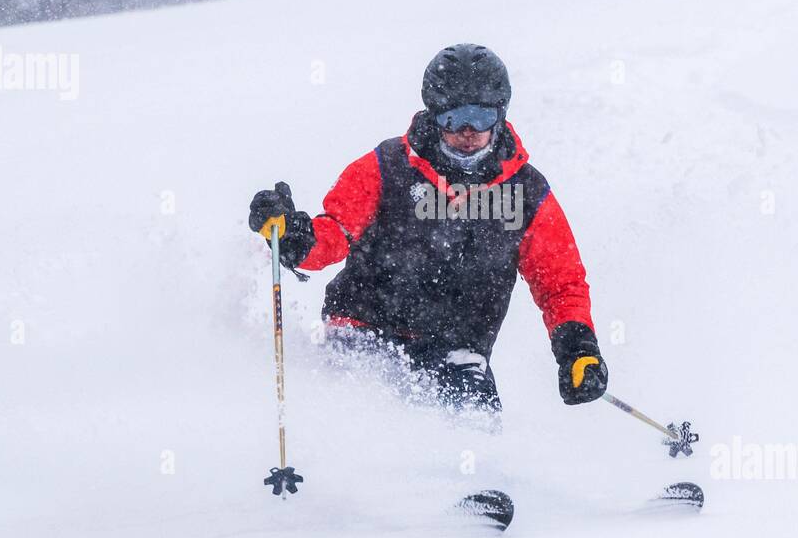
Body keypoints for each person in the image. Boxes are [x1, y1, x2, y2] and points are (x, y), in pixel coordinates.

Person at [248, 43, 608, 414]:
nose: (468, 131)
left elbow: (560, 282)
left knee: (473, 420)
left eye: (480, 117)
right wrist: (294, 236)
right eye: (454, 118)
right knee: (364, 410)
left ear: (499, 116)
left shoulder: (525, 192)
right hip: (363, 328)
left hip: (458, 347)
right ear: (434, 116)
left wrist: (577, 350)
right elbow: (335, 231)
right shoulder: (387, 167)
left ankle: (479, 467)